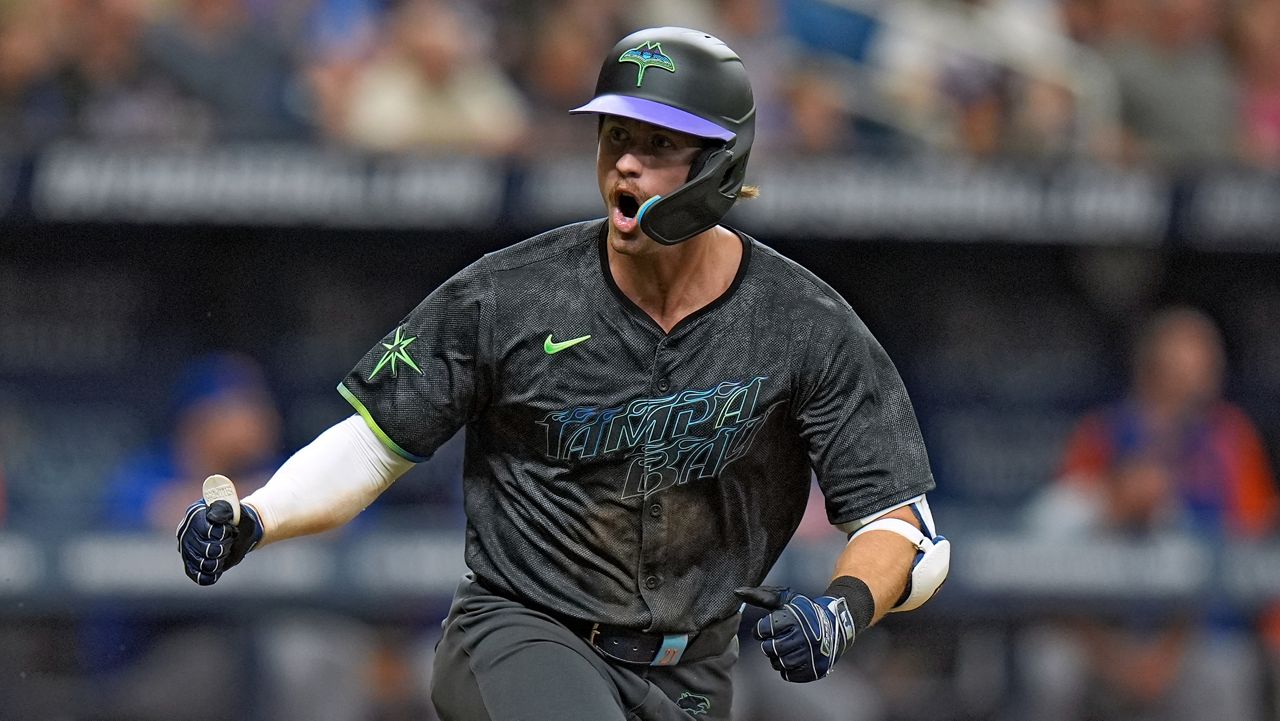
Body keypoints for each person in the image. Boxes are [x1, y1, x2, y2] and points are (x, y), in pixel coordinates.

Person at [176, 26, 949, 721]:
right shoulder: (508, 292)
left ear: (723, 163)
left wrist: (841, 612)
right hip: (522, 630)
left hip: (692, 669)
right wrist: (257, 517)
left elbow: (903, 524)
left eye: (658, 143)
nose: (627, 163)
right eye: (615, 136)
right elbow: (378, 442)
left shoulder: (804, 320)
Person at [1021, 306, 1278, 721]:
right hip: (1104, 631)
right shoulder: (1102, 433)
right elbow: (1052, 554)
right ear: (1152, 370)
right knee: (1050, 661)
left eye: (1208, 368)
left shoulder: (1231, 438)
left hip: (1197, 636)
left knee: (1227, 669)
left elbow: (1248, 551)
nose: (1204, 383)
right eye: (1187, 371)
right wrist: (1114, 502)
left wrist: (1167, 655)